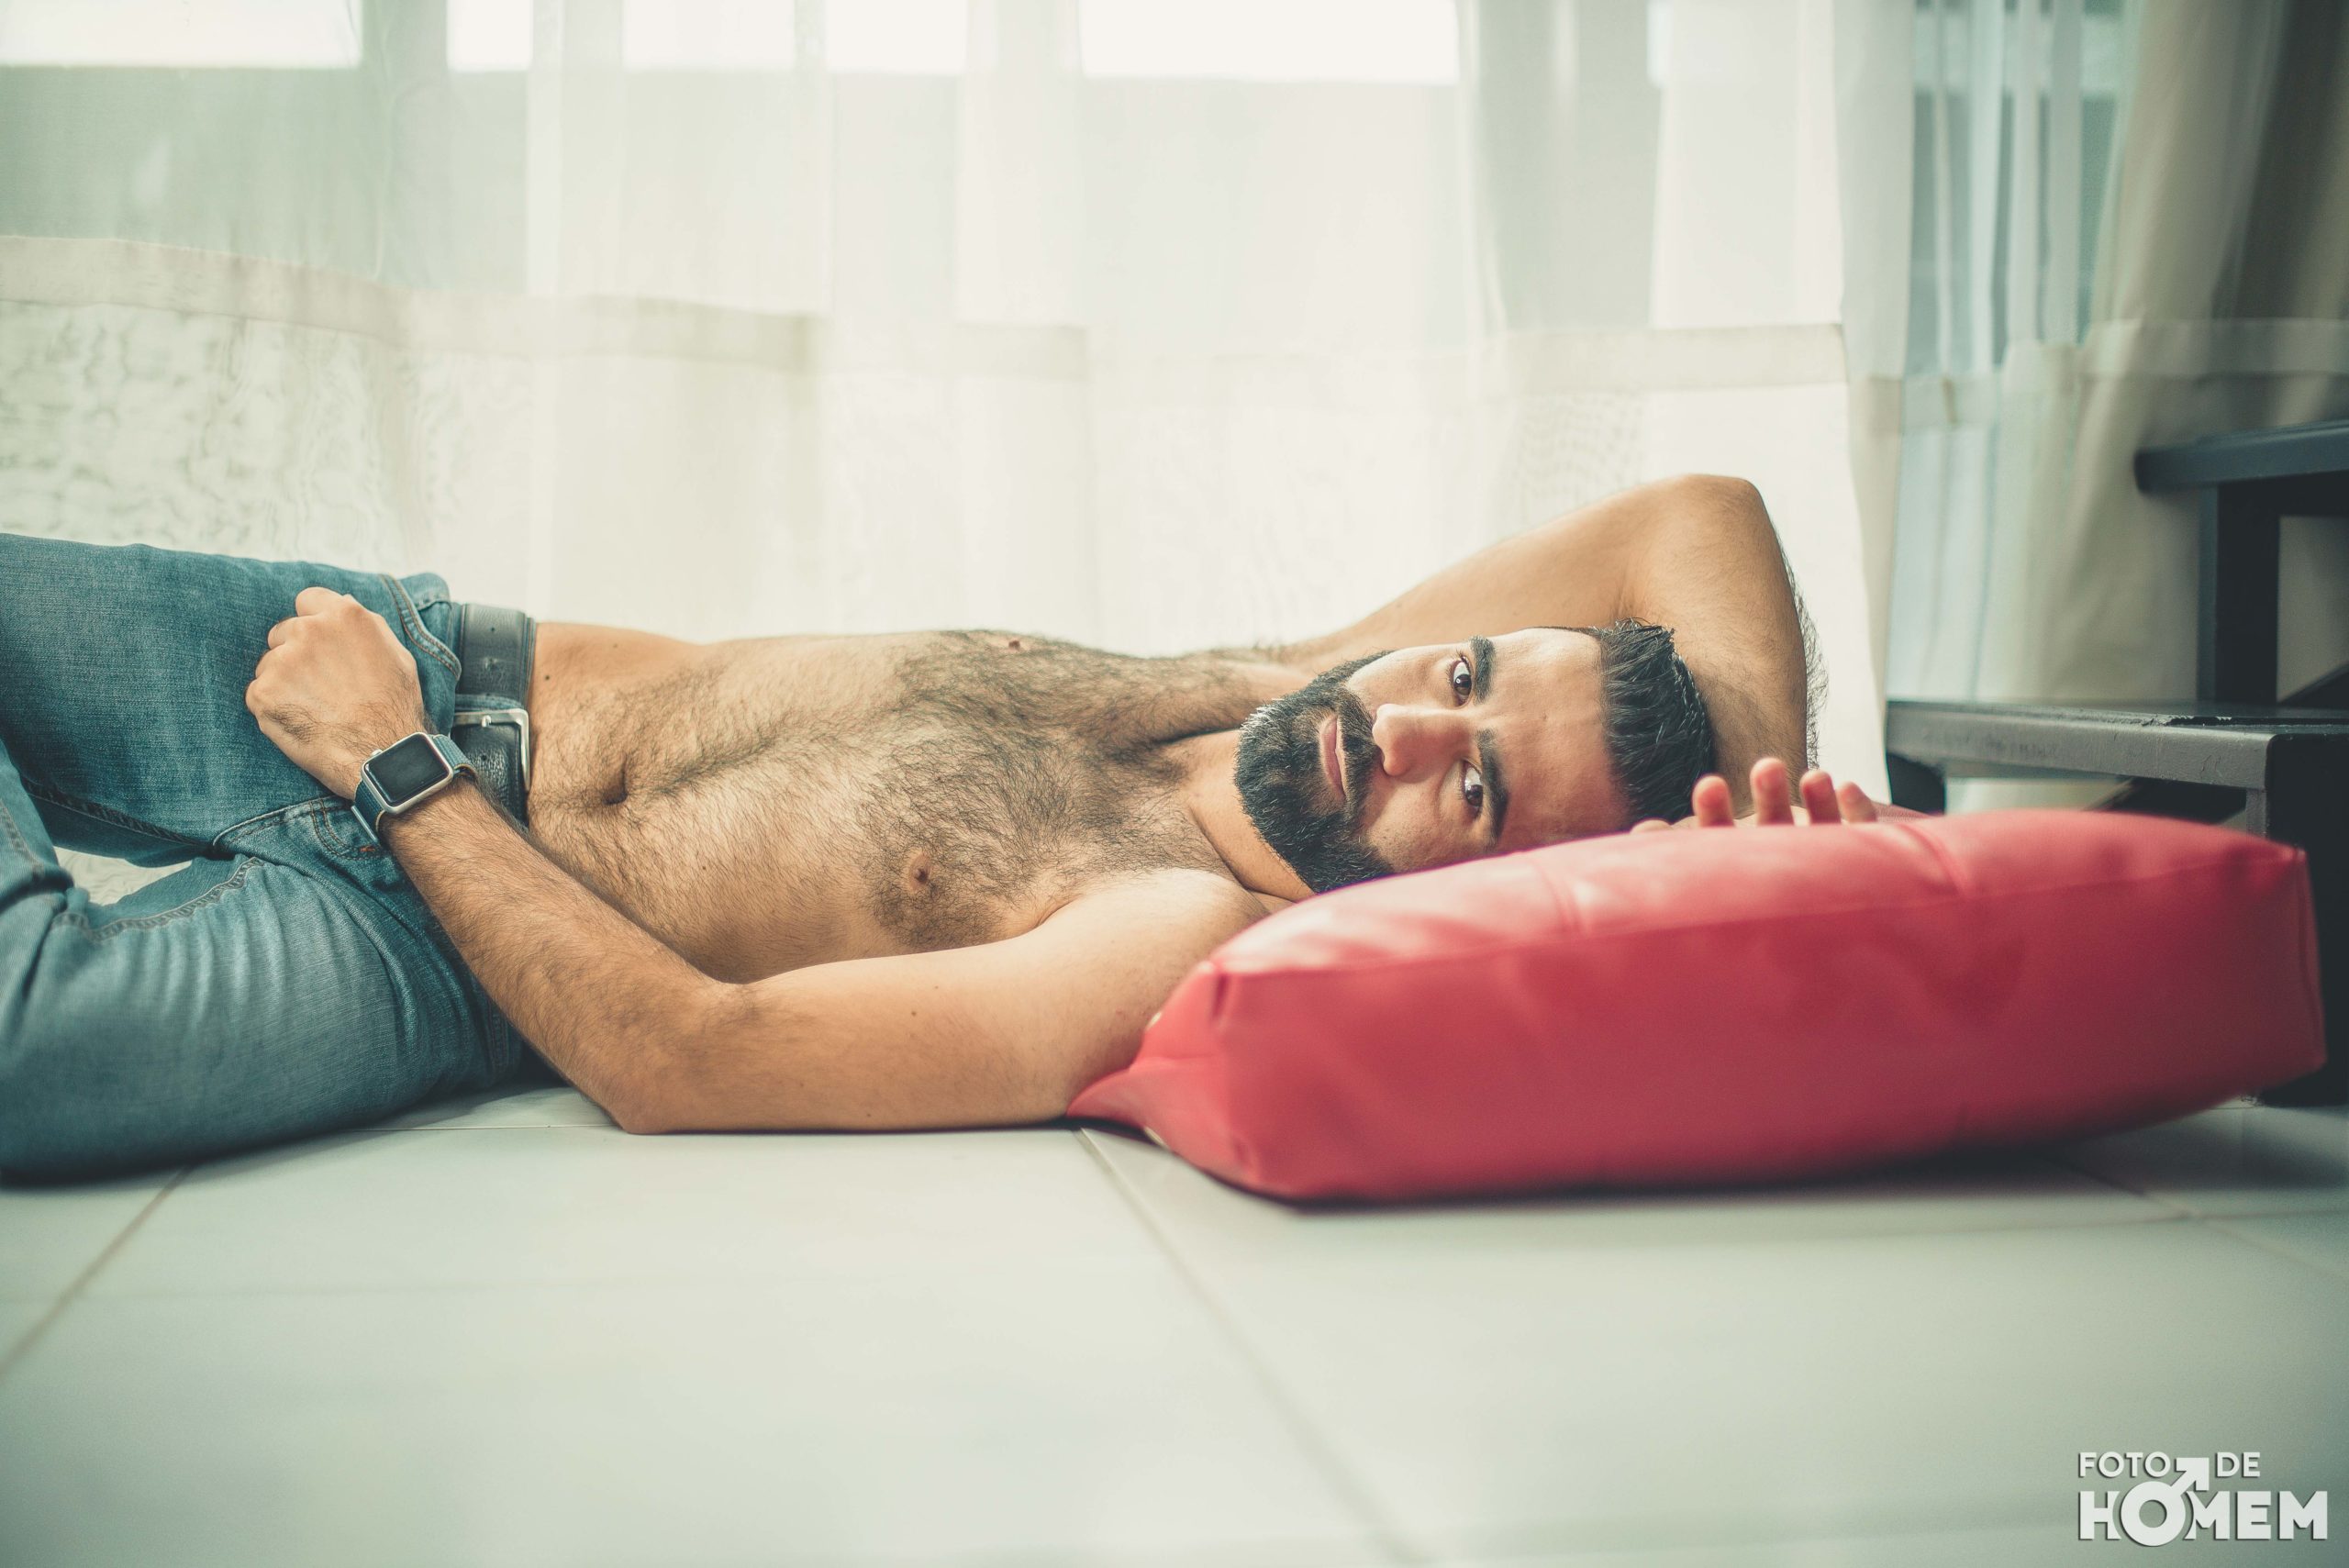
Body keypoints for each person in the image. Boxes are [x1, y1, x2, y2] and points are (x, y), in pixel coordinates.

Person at [0, 474, 1877, 1180]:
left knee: (29, 1045)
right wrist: (1750, 828)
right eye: (1460, 676)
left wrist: (396, 769)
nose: (1399, 724)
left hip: (436, 933)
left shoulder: (1166, 930)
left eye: (1467, 786)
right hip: (432, 656)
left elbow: (692, 1061)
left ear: (1498, 885)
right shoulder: (1300, 675)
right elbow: (1697, 515)